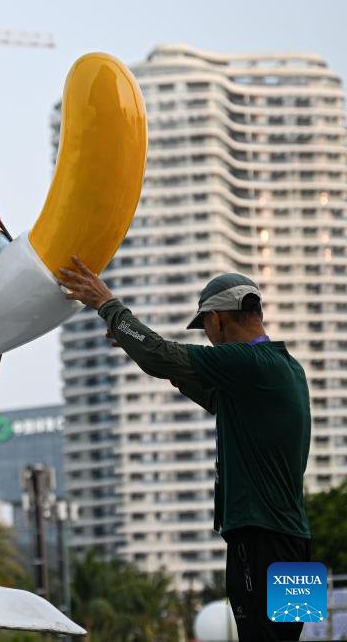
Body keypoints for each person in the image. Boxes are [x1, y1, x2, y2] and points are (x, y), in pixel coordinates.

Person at [60, 257, 311, 642]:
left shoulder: (248, 362)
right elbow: (202, 388)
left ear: (216, 319)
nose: (207, 335)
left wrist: (108, 305)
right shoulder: (286, 368)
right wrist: (141, 347)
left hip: (259, 539)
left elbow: (161, 355)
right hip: (295, 540)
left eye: (205, 327)